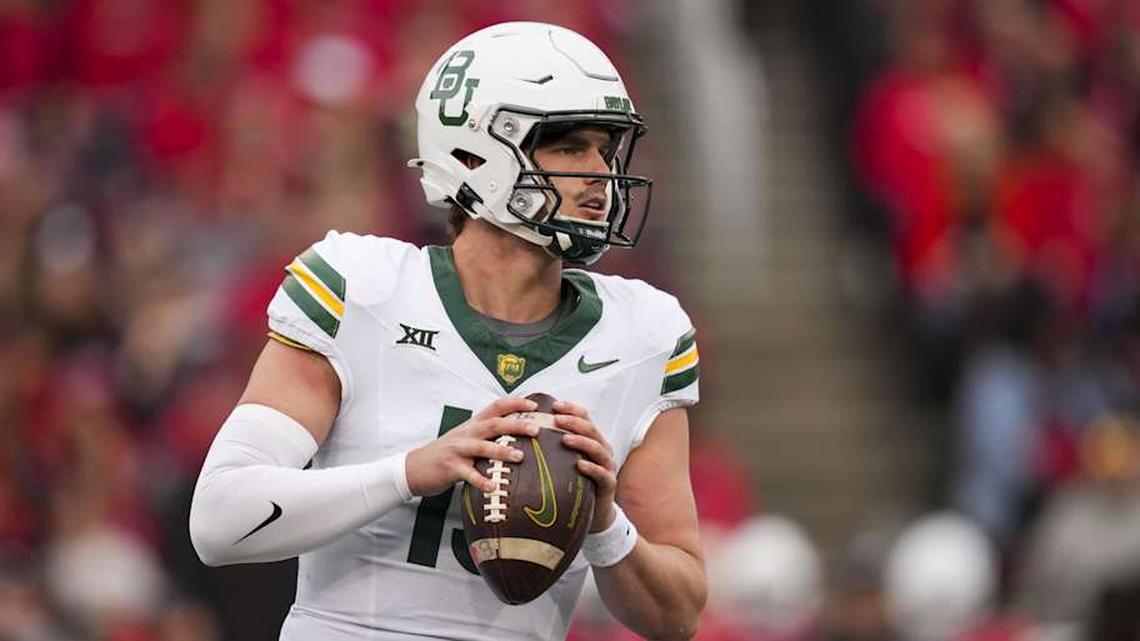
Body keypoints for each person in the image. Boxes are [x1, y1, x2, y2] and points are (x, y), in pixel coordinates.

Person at [188, 21, 707, 641]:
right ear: (473, 156)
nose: (601, 172)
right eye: (571, 147)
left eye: (606, 148)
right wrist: (410, 472)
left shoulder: (645, 335)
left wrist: (604, 525)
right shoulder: (362, 289)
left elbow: (677, 615)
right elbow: (220, 521)